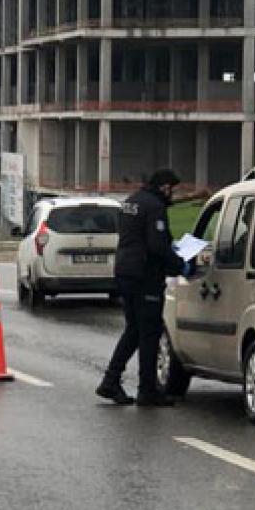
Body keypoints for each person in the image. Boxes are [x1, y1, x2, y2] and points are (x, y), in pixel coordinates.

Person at [97, 169, 188, 408]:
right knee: (149, 332)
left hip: (126, 272)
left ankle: (110, 380)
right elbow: (157, 245)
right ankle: (147, 390)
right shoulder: (154, 206)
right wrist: (180, 264)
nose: (172, 195)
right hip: (144, 276)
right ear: (164, 187)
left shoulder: (132, 202)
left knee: (134, 330)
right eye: (172, 190)